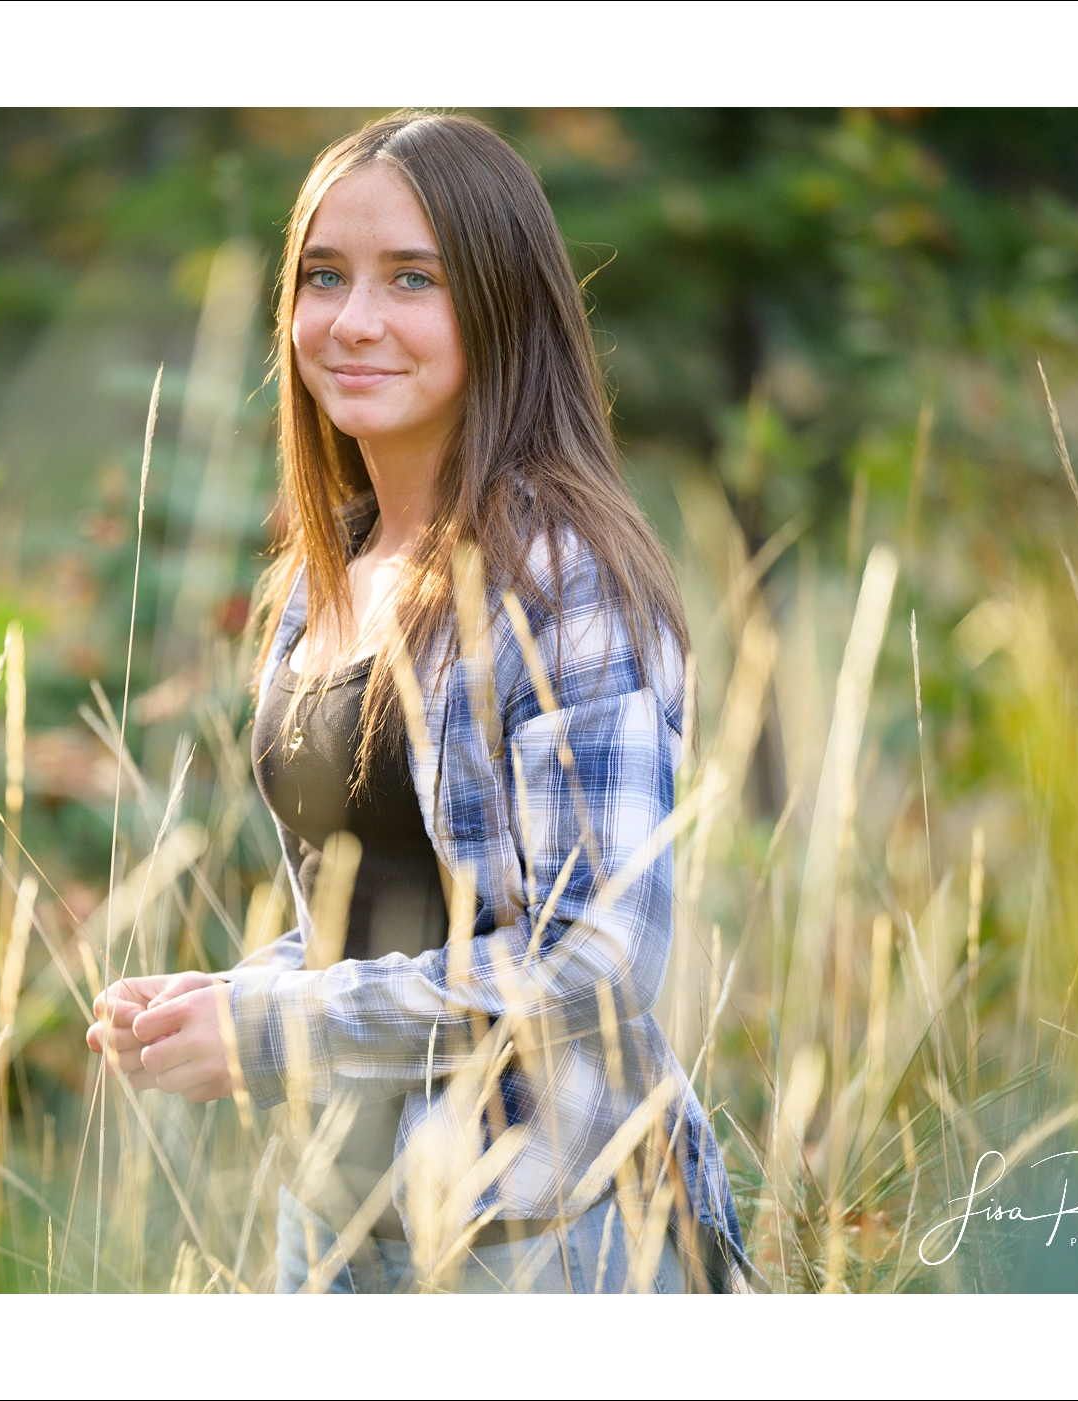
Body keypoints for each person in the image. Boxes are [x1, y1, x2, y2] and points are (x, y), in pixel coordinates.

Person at [86, 110, 748, 1294]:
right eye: (323, 276)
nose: (352, 321)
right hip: (337, 1217)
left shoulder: (559, 574)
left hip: (539, 1229)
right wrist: (233, 998)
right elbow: (383, 907)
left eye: (412, 279)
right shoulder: (324, 571)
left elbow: (598, 960)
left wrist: (272, 1028)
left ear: (500, 306)